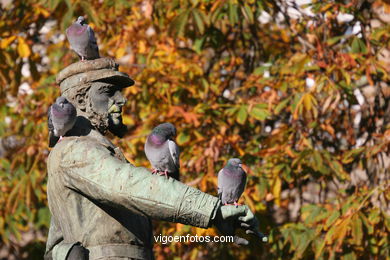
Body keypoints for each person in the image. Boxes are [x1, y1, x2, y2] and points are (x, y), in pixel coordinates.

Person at [45, 58, 261, 260]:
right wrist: (212, 210)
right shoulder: (74, 149)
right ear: (82, 100)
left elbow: (56, 239)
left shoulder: (97, 150)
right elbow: (128, 185)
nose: (121, 99)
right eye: (109, 91)